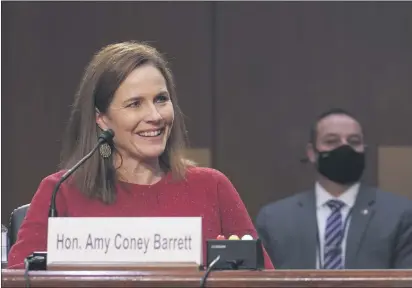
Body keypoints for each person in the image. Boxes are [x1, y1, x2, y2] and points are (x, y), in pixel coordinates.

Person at [8, 41, 274, 269]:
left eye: (161, 99)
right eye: (135, 104)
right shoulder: (61, 192)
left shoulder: (212, 186)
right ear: (102, 119)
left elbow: (263, 280)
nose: (155, 116)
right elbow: (19, 280)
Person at [256, 108, 412, 269]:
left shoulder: (400, 214)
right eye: (331, 141)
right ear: (311, 153)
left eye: (354, 141)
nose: (344, 148)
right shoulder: (275, 219)